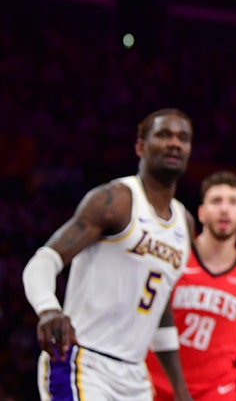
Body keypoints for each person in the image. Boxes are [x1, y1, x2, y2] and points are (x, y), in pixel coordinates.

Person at [22, 108, 196, 401]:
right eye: (164, 135)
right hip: (83, 362)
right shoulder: (116, 200)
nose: (175, 143)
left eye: (183, 138)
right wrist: (47, 308)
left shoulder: (185, 223)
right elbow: (44, 260)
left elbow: (160, 310)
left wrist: (180, 388)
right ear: (140, 146)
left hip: (134, 377)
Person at [146, 170, 236, 401]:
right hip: (156, 383)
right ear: (201, 213)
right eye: (216, 201)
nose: (224, 209)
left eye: (233, 202)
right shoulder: (174, 255)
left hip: (215, 390)